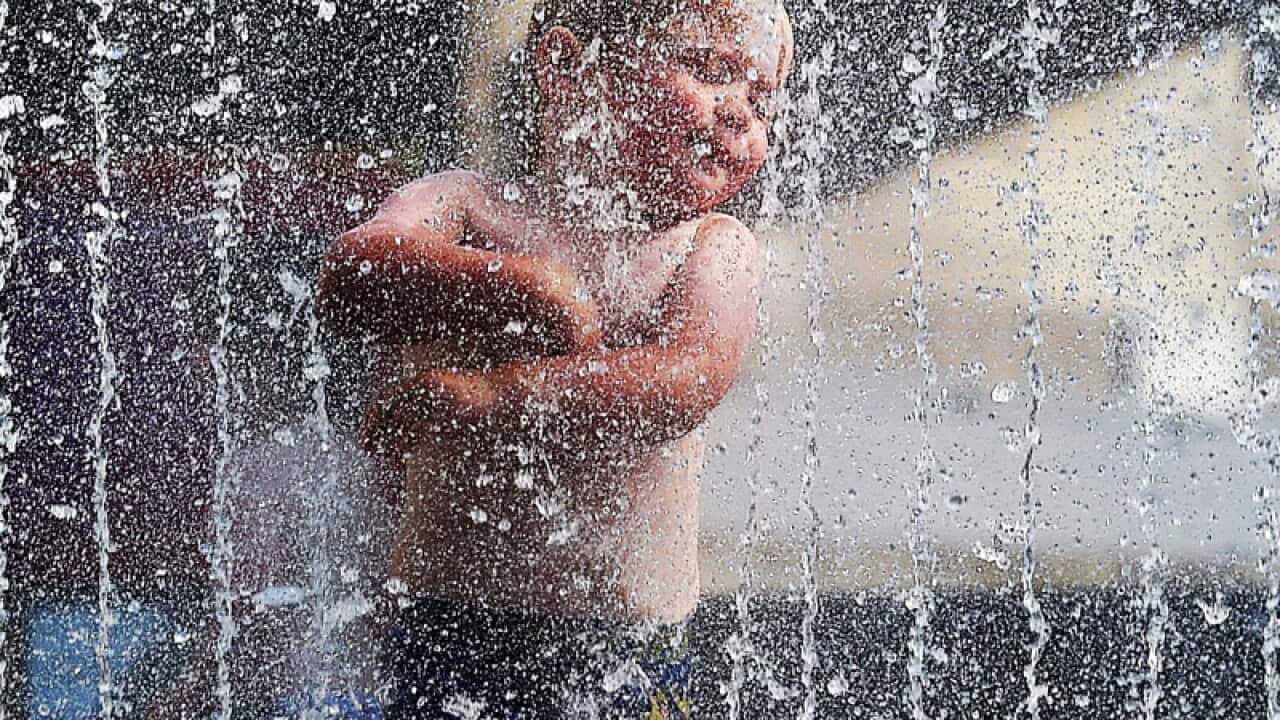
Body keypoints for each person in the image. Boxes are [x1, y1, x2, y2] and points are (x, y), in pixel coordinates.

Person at [316, 0, 792, 715]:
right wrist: (517, 287)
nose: (742, 117)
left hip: (625, 643)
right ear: (568, 66)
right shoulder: (472, 208)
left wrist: (490, 400)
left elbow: (687, 378)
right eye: (712, 72)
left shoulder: (709, 248)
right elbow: (350, 278)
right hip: (448, 630)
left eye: (762, 100)